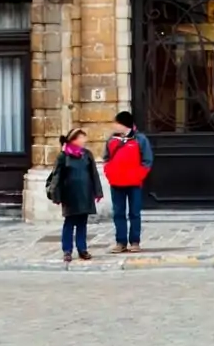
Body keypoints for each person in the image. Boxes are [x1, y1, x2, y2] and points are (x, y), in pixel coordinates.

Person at [49, 127, 102, 262]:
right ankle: (67, 250)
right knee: (69, 222)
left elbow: (93, 174)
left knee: (82, 223)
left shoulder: (87, 154)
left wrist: (97, 191)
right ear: (74, 140)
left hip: (85, 193)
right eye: (82, 138)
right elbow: (57, 176)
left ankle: (82, 249)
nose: (84, 140)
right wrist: (56, 195)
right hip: (70, 194)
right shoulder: (63, 156)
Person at [102, 110, 152, 252]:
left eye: (116, 122)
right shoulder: (112, 140)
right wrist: (109, 173)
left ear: (124, 124)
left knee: (134, 213)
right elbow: (106, 158)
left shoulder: (140, 139)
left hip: (134, 183)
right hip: (116, 182)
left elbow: (147, 160)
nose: (114, 125)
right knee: (118, 213)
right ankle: (121, 242)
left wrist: (139, 175)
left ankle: (135, 241)